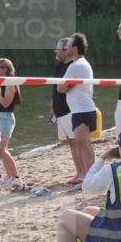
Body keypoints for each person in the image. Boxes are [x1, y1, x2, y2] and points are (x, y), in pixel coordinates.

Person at [57, 33, 96, 184]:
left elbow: (60, 88)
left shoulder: (76, 65)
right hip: (81, 108)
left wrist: (66, 87)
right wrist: (67, 86)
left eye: (69, 45)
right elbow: (62, 87)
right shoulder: (80, 64)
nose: (66, 48)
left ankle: (89, 176)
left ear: (74, 48)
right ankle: (86, 174)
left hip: (82, 109)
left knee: (83, 144)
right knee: (82, 144)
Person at [0, 58, 25, 191]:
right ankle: (11, 176)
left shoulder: (10, 82)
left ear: (7, 69)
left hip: (5, 117)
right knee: (0, 149)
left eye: (1, 67)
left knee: (1, 150)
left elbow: (6, 103)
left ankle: (15, 177)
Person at [51, 38, 80, 182]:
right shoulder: (59, 66)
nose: (55, 51)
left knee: (76, 142)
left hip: (69, 109)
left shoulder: (73, 66)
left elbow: (70, 86)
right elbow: (55, 88)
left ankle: (82, 172)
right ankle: (78, 172)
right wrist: (52, 105)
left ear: (65, 50)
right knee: (70, 142)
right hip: (59, 109)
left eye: (58, 49)